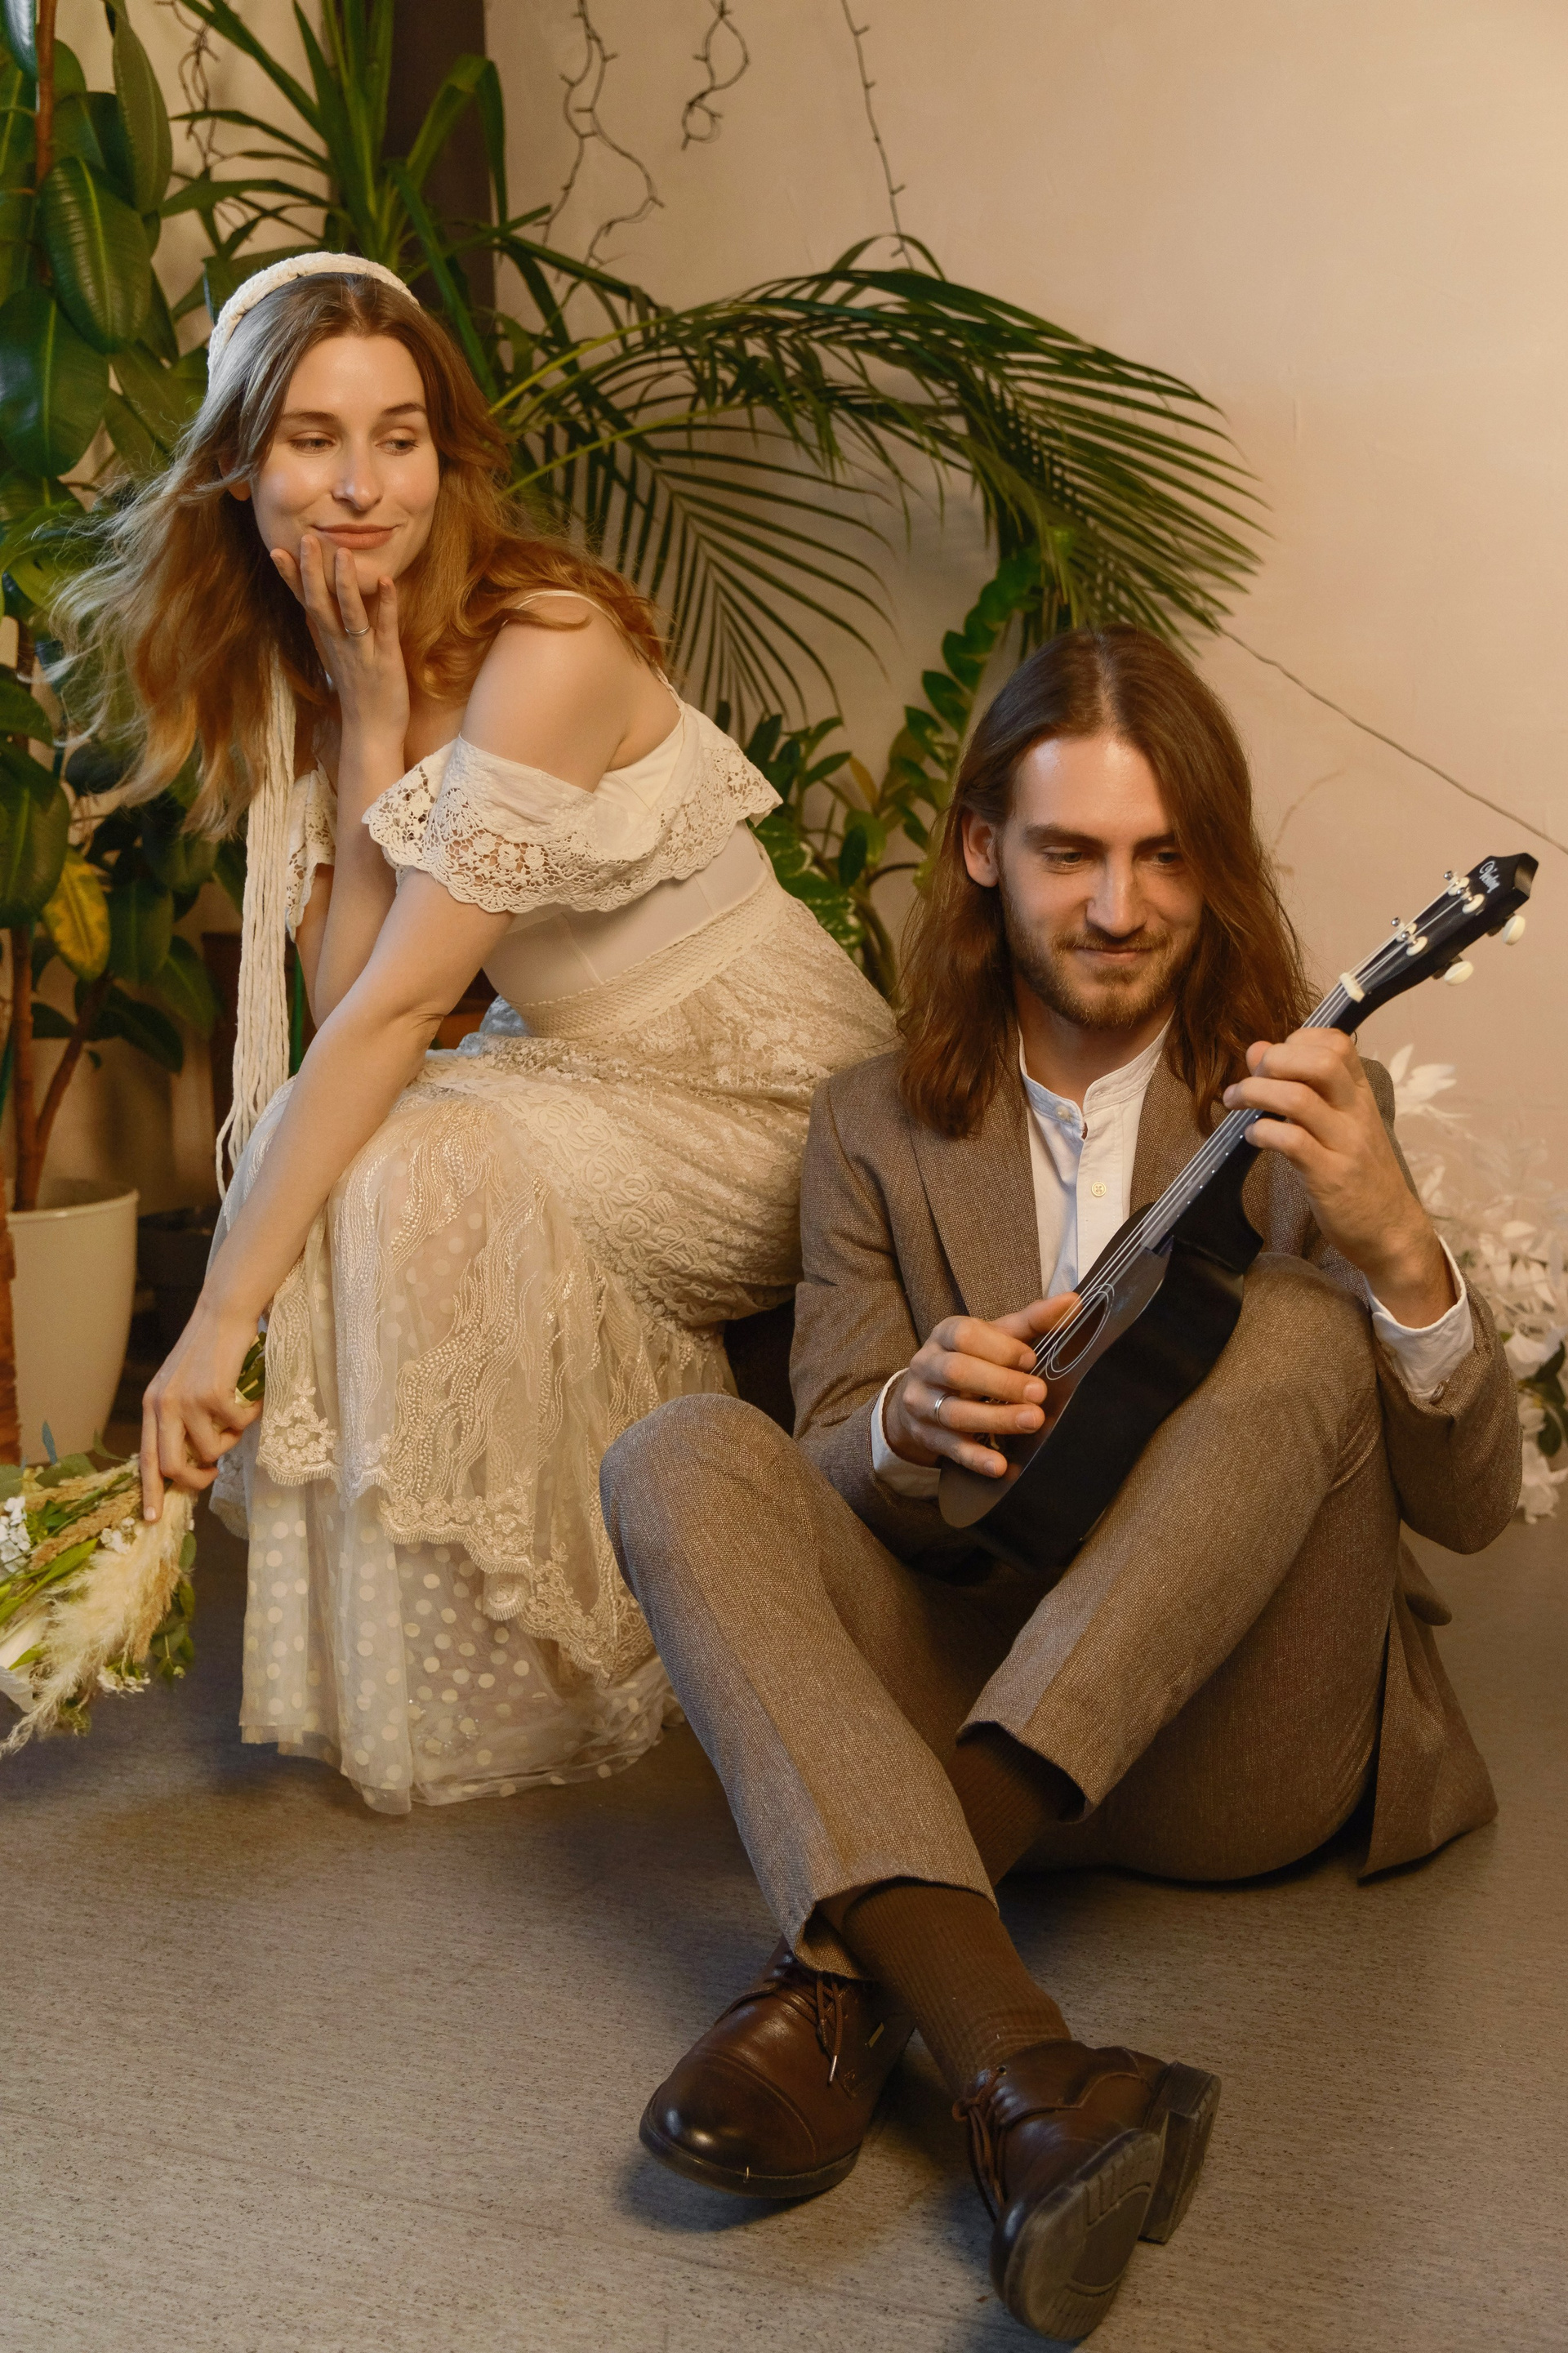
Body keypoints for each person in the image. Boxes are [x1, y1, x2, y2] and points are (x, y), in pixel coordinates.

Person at [599, 627, 1521, 2342]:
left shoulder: (1308, 1101)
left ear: (1213, 866)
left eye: (1164, 855)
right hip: (963, 1664)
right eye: (1071, 852)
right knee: (674, 1451)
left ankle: (847, 1970)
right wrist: (900, 1422)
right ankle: (1028, 2073)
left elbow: (1471, 1511)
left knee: (1304, 1327)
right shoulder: (871, 1126)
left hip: (1241, 1747)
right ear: (982, 850)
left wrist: (1400, 1246)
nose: (1118, 905)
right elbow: (827, 1457)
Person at [69, 252, 893, 1812]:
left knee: (392, 1156)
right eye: (314, 439)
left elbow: (384, 1011)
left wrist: (212, 1324)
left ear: (447, 458)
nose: (361, 485)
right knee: (356, 1141)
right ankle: (443, 1675)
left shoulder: (547, 648)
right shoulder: (336, 668)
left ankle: (551, 1660)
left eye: (401, 437)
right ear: (240, 467)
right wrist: (374, 723)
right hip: (585, 1074)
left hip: (768, 1107)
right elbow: (348, 1008)